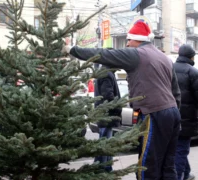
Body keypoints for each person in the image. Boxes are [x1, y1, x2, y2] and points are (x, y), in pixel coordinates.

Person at [62, 21, 181, 180]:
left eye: (129, 40)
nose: (127, 43)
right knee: (168, 164)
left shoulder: (136, 54)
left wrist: (72, 49)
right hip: (173, 113)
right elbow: (176, 92)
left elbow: (102, 54)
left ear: (136, 40)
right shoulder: (164, 58)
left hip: (154, 113)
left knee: (147, 165)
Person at [173, 44, 198, 180]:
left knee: (177, 149)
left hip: (169, 116)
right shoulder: (192, 72)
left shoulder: (169, 68)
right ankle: (179, 177)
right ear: (191, 56)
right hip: (187, 120)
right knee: (182, 150)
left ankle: (187, 174)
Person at [94, 65, 122, 172]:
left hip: (104, 114)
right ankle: (105, 168)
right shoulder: (107, 74)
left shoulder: (104, 72)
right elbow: (108, 95)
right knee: (106, 142)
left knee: (103, 141)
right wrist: (118, 107)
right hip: (107, 115)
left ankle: (99, 166)